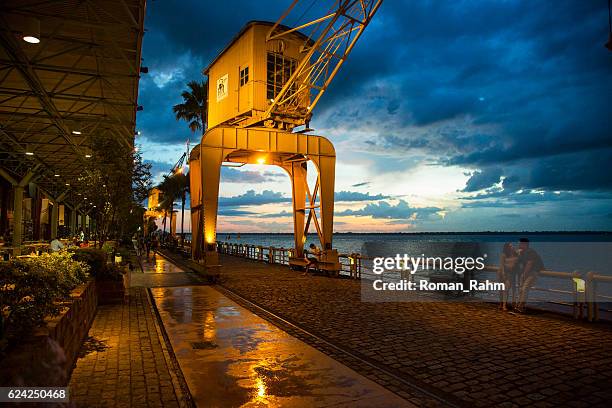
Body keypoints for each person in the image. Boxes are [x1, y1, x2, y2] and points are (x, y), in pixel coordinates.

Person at [516, 238, 544, 313]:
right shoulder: (522, 252)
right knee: (521, 289)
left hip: (533, 272)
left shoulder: (530, 252)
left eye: (519, 243)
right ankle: (518, 306)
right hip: (526, 273)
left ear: (524, 244)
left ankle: (521, 306)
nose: (518, 245)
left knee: (524, 289)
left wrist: (524, 275)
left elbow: (529, 264)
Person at [499, 243, 519, 311]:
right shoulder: (504, 255)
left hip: (513, 274)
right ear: (507, 247)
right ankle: (504, 305)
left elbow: (519, 261)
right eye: (510, 246)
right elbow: (502, 266)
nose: (512, 246)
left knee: (514, 290)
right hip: (507, 274)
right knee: (506, 290)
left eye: (512, 245)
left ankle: (514, 305)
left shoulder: (515, 254)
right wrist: (503, 274)